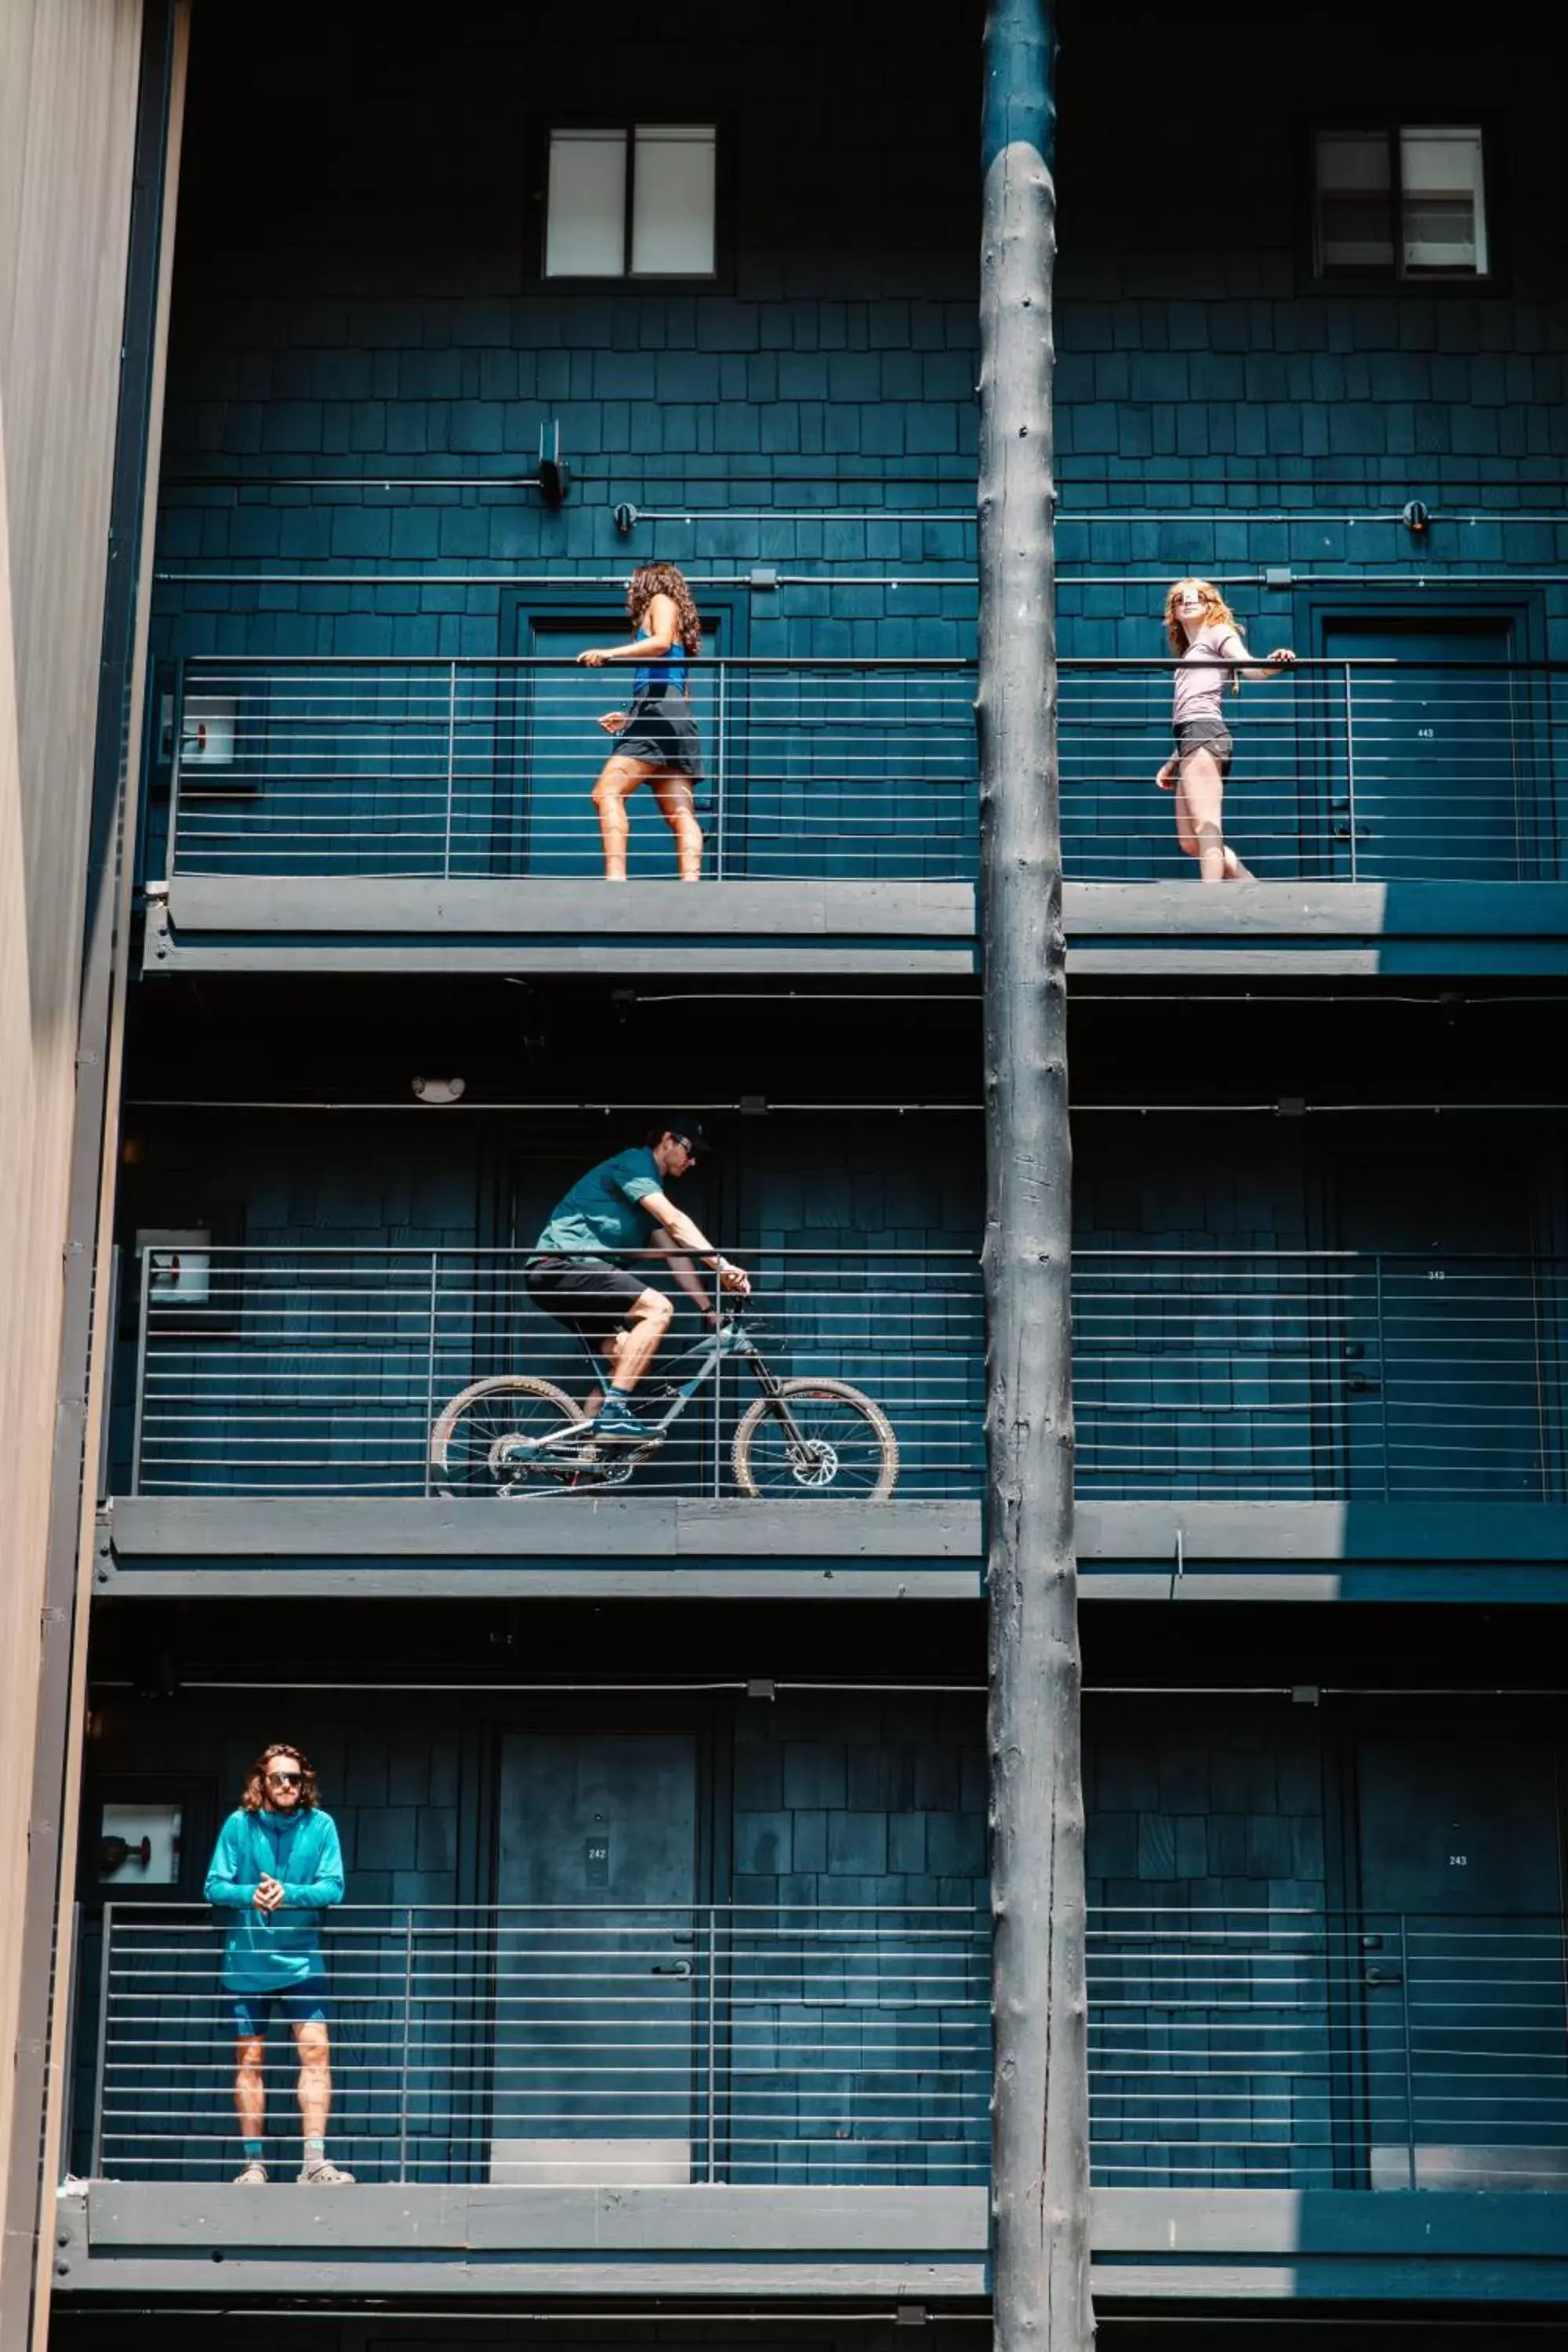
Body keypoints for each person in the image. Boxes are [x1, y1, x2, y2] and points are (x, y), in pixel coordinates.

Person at [526, 1119, 750, 1440]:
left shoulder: (644, 1199)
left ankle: (588, 1459)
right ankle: (615, 1414)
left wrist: (709, 1311)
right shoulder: (635, 1163)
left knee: (629, 1360)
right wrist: (722, 1266)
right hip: (562, 1266)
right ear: (668, 1141)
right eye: (690, 1151)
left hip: (576, 1275)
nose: (693, 1161)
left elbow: (677, 1258)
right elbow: (673, 1220)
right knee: (658, 1309)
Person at [204, 1744, 354, 2186]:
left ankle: (314, 2163)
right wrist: (251, 1893)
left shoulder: (321, 1826)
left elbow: (333, 1888)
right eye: (278, 1778)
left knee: (316, 2054)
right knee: (249, 2059)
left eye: (295, 1778)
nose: (287, 1784)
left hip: (302, 1962)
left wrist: (287, 1893)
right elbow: (214, 1885)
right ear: (262, 1783)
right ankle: (253, 2165)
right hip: (247, 1963)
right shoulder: (240, 1824)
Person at [1155, 579, 1296, 883]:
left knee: (1207, 828)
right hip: (1190, 739)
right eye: (1181, 599)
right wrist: (1173, 759)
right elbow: (1190, 711)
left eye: (1197, 597)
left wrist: (1274, 665)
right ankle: (1253, 890)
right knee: (1190, 841)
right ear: (1174, 611)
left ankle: (1212, 908)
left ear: (1210, 604)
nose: (1188, 602)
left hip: (1204, 735)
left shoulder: (1218, 633)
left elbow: (1251, 668)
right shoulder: (1190, 652)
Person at [577, 562, 706, 882]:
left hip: (658, 713)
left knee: (607, 792)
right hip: (673, 717)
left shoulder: (660, 600)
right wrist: (631, 718)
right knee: (680, 813)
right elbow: (679, 691)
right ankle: (692, 886)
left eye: (635, 582)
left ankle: (615, 881)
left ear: (649, 581)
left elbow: (660, 642)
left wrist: (609, 654)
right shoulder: (682, 624)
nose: (631, 588)